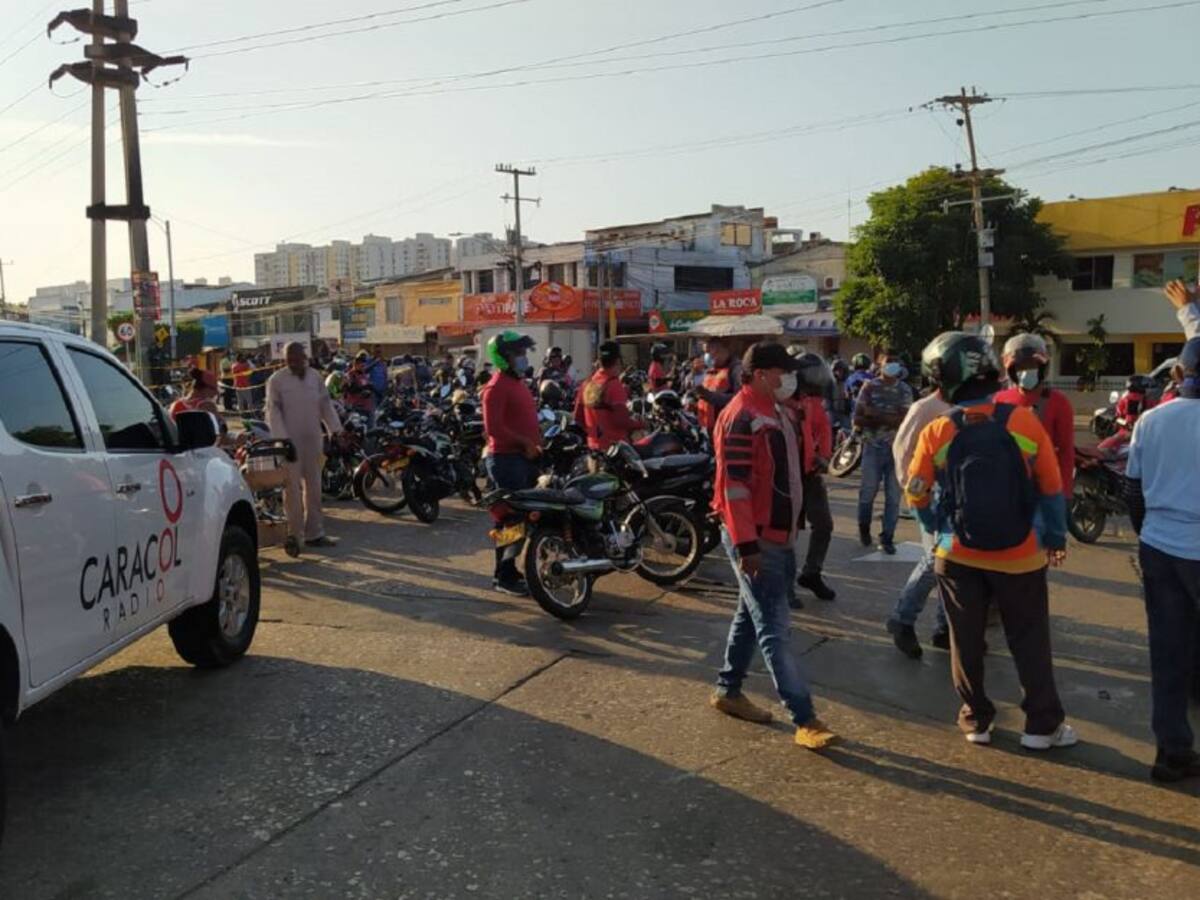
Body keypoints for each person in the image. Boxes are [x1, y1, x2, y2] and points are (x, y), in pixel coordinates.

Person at [906, 331, 1076, 749]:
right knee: (1029, 639)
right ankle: (1041, 726)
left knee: (966, 641)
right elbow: (1052, 489)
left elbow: (915, 492)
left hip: (956, 555)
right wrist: (1054, 538)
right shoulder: (1023, 422)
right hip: (1020, 556)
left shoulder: (937, 431)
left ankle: (977, 720)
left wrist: (937, 526)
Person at [710, 342, 835, 750]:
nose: (790, 380)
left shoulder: (779, 412)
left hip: (780, 535)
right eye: (784, 373)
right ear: (762, 374)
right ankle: (804, 717)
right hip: (757, 537)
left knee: (752, 615)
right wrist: (748, 547)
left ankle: (728, 691)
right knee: (774, 628)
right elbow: (734, 490)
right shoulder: (741, 418)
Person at [1125, 336, 1200, 783]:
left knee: (1168, 653)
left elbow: (1133, 491)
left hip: (1161, 548)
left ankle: (1171, 752)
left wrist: (1148, 535)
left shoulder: (1150, 421)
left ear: (1177, 375)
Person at [885, 378, 953, 658]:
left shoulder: (964, 407)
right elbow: (903, 450)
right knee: (936, 562)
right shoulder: (925, 408)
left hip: (955, 500)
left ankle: (944, 629)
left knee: (948, 569)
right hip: (932, 499)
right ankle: (902, 619)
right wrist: (914, 494)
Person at [266, 342, 343, 557]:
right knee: (291, 490)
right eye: (289, 358)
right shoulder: (277, 380)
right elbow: (273, 411)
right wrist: (282, 440)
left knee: (315, 487)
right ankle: (295, 535)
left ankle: (315, 534)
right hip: (289, 444)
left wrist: (335, 429)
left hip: (313, 441)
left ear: (305, 357)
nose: (293, 362)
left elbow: (326, 405)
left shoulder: (315, 377)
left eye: (297, 357)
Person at [481, 330, 541, 596]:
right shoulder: (495, 388)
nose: (523, 358)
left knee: (520, 520)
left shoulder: (518, 383)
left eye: (523, 353)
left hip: (523, 459)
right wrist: (524, 443)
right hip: (507, 460)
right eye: (518, 353)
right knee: (510, 520)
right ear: (503, 357)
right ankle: (503, 574)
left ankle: (509, 568)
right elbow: (494, 429)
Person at [994, 333, 1076, 497]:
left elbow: (1066, 451)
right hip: (1007, 489)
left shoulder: (1058, 402)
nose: (1025, 372)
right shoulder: (999, 399)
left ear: (1042, 368)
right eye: (1020, 367)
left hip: (1044, 490)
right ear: (1011, 370)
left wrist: (1064, 493)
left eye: (1031, 366)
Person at [788, 352, 837, 603]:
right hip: (787, 474)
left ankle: (812, 572)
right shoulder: (785, 401)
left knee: (824, 525)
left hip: (810, 473)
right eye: (811, 375)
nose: (817, 380)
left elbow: (824, 430)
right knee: (789, 532)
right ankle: (784, 586)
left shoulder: (814, 402)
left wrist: (824, 457)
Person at [854, 351, 913, 554]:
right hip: (872, 447)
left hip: (896, 450)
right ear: (880, 363)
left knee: (893, 497)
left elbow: (903, 420)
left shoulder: (905, 390)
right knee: (867, 492)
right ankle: (864, 528)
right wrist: (887, 417)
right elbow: (858, 419)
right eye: (889, 362)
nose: (892, 366)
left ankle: (887, 537)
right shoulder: (869, 387)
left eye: (896, 362)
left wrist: (875, 414)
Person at [582, 341, 642, 450]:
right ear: (618, 361)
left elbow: (579, 416)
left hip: (594, 449)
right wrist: (641, 424)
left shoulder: (588, 383)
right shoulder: (614, 385)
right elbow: (621, 421)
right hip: (614, 450)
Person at [695, 337, 737, 435]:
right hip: (706, 427)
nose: (706, 356)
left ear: (719, 349)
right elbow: (698, 389)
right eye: (705, 352)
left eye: (708, 351)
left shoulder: (735, 369)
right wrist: (696, 375)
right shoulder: (709, 369)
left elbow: (737, 398)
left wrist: (709, 396)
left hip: (725, 428)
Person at [828, 359, 852, 436]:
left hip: (845, 411)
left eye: (841, 370)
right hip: (832, 410)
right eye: (837, 370)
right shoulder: (829, 383)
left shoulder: (848, 381)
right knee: (829, 429)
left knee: (847, 431)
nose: (839, 373)